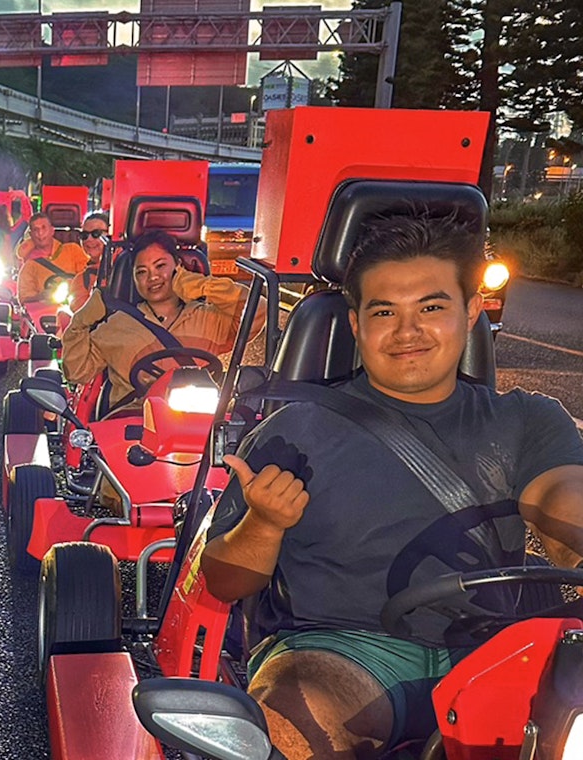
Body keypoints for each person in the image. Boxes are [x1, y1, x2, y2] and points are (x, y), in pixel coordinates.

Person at [201, 211, 583, 759]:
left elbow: (561, 498)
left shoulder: (527, 420)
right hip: (342, 651)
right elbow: (222, 581)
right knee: (293, 720)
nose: (407, 331)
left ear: (472, 310)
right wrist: (263, 524)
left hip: (502, 648)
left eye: (431, 307)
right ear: (356, 325)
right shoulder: (291, 434)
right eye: (384, 312)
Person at [62, 229, 262, 408]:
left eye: (160, 266)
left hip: (199, 424)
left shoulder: (209, 319)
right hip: (131, 423)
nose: (153, 277)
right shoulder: (115, 326)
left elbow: (258, 310)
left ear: (178, 266)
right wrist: (80, 322)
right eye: (142, 272)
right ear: (133, 279)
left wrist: (202, 286)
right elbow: (77, 373)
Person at [15, 212, 90, 303]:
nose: (40, 233)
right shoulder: (29, 266)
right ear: (31, 235)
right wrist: (41, 296)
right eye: (36, 230)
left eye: (44, 228)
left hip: (77, 305)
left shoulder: (73, 250)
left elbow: (88, 277)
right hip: (47, 309)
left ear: (52, 230)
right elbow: (24, 299)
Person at [69, 212, 110, 311]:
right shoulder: (82, 280)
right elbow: (81, 314)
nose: (89, 239)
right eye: (84, 235)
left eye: (96, 234)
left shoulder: (129, 265)